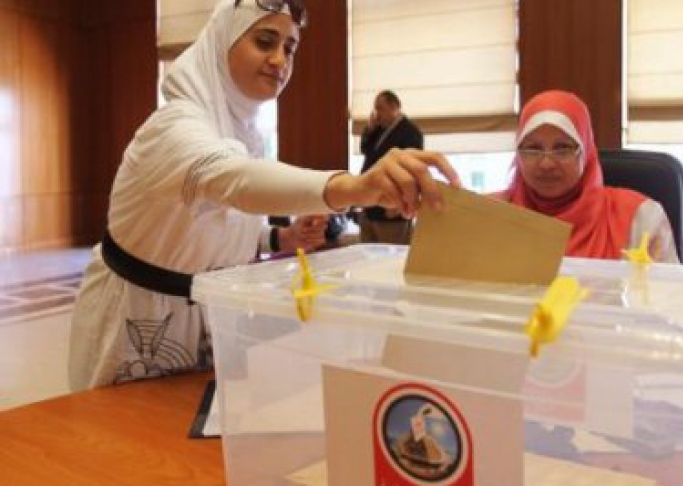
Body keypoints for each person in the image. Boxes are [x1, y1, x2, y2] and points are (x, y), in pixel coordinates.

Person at [68, 0, 459, 391]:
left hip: (206, 314)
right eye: (265, 41)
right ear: (222, 41)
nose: (279, 60)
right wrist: (355, 187)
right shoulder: (174, 126)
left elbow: (220, 221)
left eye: (289, 48)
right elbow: (237, 181)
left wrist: (281, 238)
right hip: (138, 313)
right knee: (120, 426)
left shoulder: (241, 133)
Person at [494, 90, 678, 262]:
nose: (546, 164)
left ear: (586, 151)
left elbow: (667, 286)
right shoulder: (491, 215)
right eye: (533, 148)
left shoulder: (642, 218)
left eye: (563, 148)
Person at [359, 90, 424, 244]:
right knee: (367, 253)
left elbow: (411, 171)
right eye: (375, 108)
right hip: (370, 205)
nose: (377, 113)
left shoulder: (411, 132)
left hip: (391, 209)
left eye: (380, 108)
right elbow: (365, 150)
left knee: (391, 253)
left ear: (395, 107)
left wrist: (399, 204)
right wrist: (369, 130)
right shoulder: (378, 129)